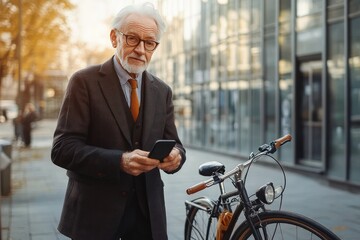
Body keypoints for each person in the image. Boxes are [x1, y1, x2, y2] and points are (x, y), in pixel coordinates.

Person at [51, 2, 186, 240]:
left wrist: (176, 156)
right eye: (132, 39)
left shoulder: (162, 90)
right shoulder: (84, 82)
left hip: (148, 218)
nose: (141, 50)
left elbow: (175, 143)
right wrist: (119, 161)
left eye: (149, 42)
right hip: (95, 215)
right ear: (114, 38)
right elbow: (62, 149)